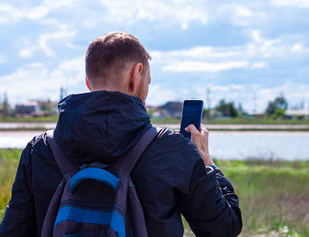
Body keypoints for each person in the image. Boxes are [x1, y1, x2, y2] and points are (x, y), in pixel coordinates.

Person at [0, 32, 242, 236]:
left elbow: (12, 231)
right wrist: (208, 164)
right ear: (136, 75)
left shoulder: (39, 150)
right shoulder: (173, 148)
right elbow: (224, 228)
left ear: (88, 82)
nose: (147, 87)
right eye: (148, 80)